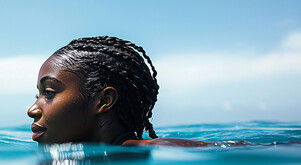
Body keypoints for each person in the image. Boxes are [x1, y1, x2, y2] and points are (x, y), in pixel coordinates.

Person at [27, 36, 212, 147]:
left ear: (103, 101)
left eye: (49, 93)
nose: (32, 110)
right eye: (39, 95)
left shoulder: (161, 149)